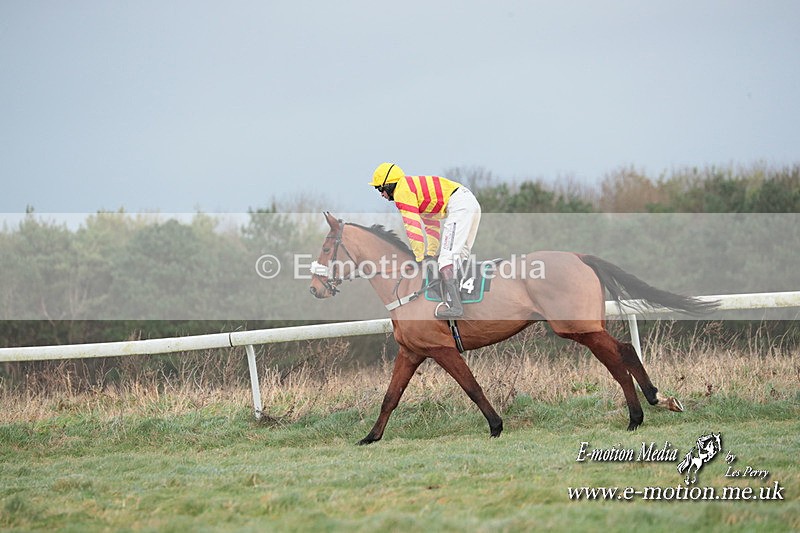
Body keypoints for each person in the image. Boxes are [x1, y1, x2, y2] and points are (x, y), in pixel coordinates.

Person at [369, 162, 481, 319]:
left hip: (459, 206)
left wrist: (419, 258)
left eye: (380, 189)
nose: (381, 194)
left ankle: (456, 308)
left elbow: (413, 227)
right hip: (470, 202)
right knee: (459, 258)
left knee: (446, 260)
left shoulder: (402, 192)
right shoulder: (414, 191)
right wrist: (429, 254)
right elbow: (432, 226)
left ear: (389, 185)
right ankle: (460, 302)